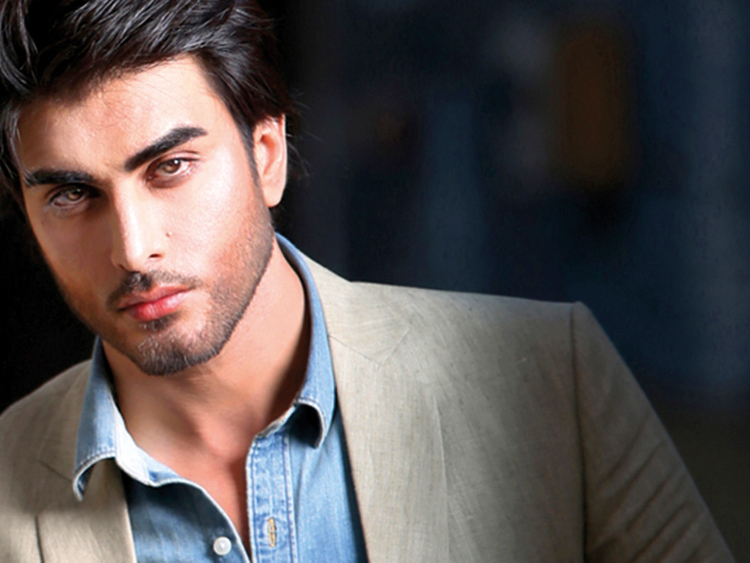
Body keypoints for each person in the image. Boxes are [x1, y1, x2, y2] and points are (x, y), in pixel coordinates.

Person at [0, 0, 733, 561]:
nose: (133, 249)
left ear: (267, 155)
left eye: (171, 167)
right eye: (71, 195)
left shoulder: (551, 379)